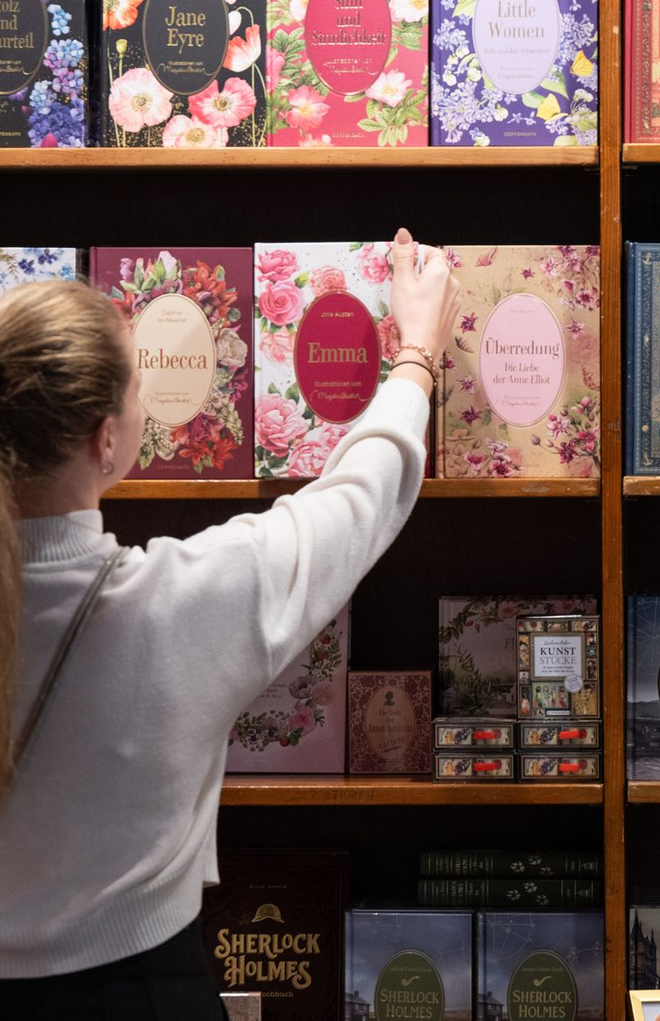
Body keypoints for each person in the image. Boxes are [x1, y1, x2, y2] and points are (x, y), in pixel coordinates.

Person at [0, 228, 460, 1018]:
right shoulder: (179, 602)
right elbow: (355, 500)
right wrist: (416, 355)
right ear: (107, 438)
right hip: (142, 992)